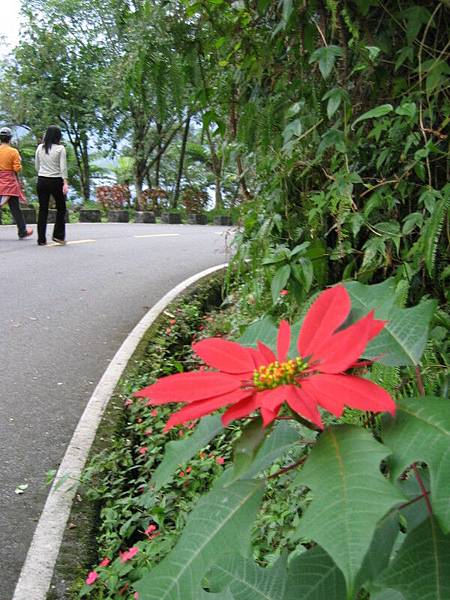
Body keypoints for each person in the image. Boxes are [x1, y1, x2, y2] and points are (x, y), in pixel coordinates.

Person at [35, 125, 69, 245]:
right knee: (61, 208)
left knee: (43, 209)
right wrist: (65, 182)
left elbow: (37, 166)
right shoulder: (60, 149)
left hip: (42, 180)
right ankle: (58, 236)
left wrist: (42, 173)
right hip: (55, 180)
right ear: (58, 136)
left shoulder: (40, 147)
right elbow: (63, 167)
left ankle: (41, 239)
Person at [0, 126, 33, 239]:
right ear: (10, 139)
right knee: (15, 209)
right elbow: (17, 169)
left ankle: (23, 230)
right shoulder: (13, 152)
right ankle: (22, 231)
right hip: (10, 184)